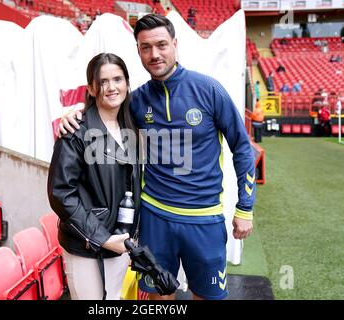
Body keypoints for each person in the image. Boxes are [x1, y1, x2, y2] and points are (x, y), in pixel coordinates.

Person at [58, 14, 255, 301]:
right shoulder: (135, 100)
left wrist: (245, 208)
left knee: (208, 297)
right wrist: (74, 114)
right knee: (158, 298)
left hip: (204, 219)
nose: (154, 54)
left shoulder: (209, 90)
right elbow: (104, 106)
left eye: (161, 44)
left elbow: (242, 147)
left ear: (175, 44)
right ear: (138, 51)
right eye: (145, 47)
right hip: (153, 218)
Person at [47, 53, 141, 300]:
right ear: (90, 88)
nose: (111, 87)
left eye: (118, 79)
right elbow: (60, 194)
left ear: (127, 83)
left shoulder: (130, 125)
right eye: (102, 81)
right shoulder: (75, 130)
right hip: (87, 247)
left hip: (121, 242)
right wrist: (102, 238)